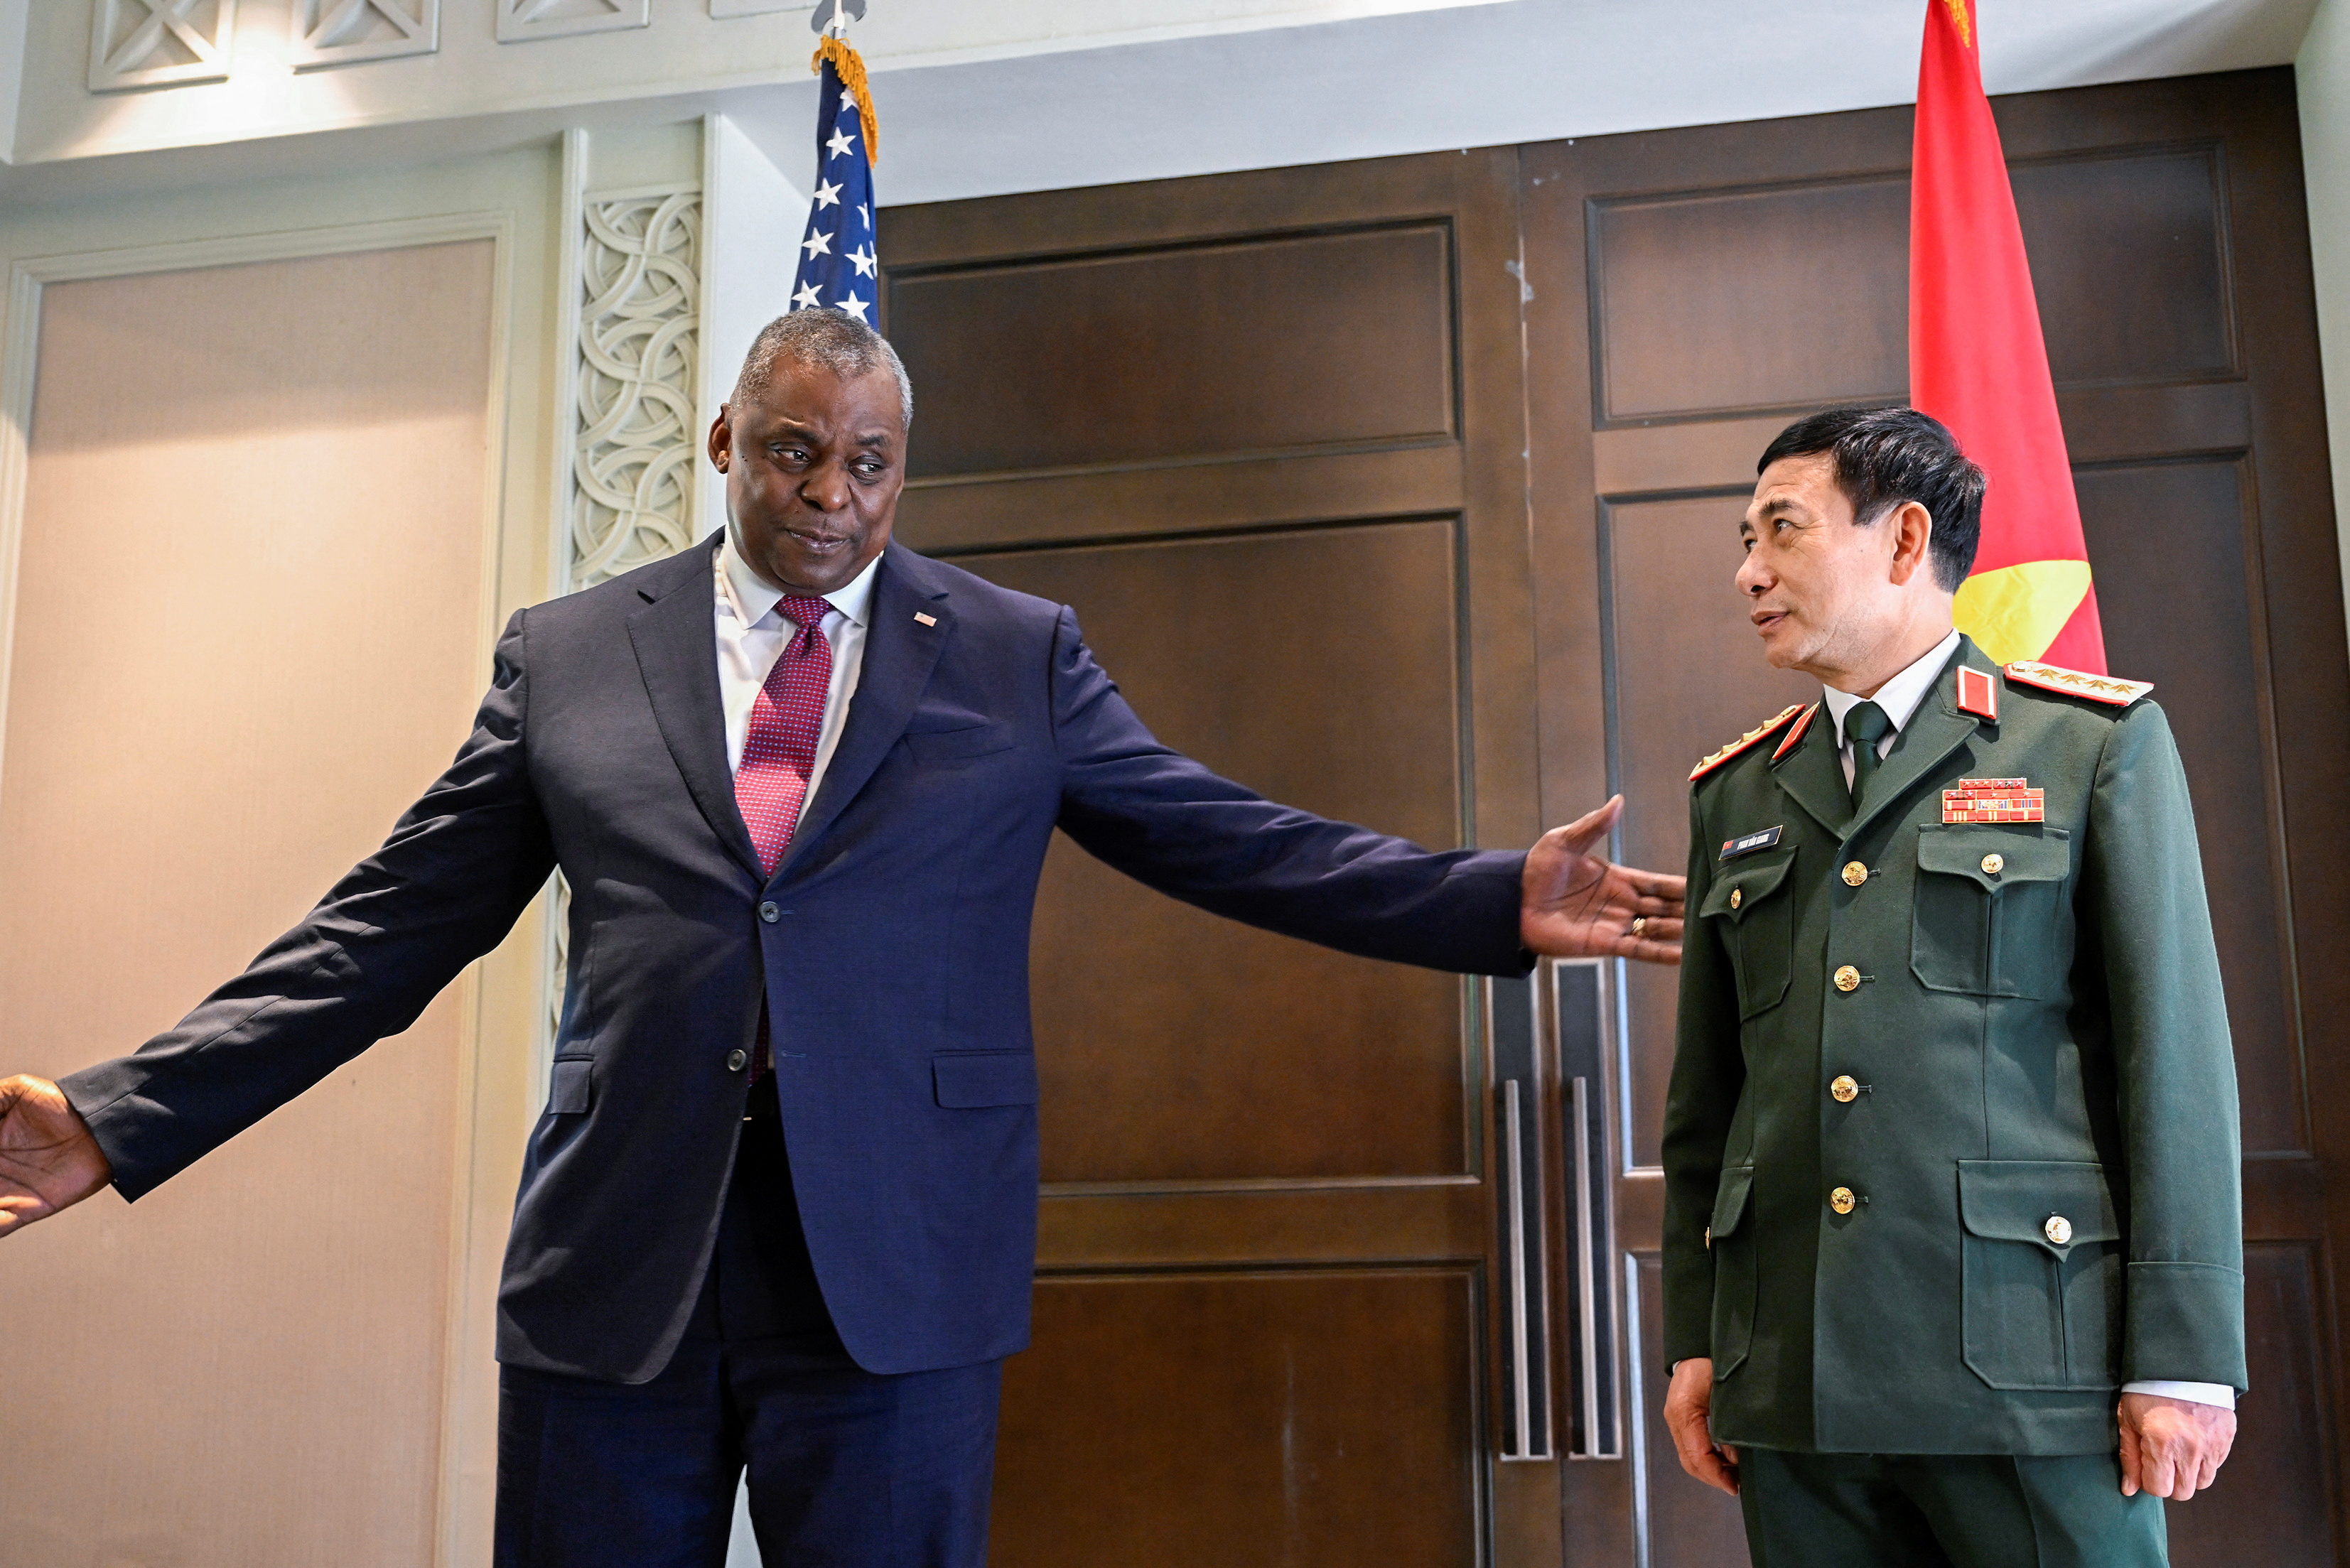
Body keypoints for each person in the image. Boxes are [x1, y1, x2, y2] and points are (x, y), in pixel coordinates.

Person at [0, 308, 1686, 1568]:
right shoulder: (575, 654)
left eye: (869, 463)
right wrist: (123, 1114)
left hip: (895, 1273)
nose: (831, 495)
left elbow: (1222, 836)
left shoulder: (1013, 654)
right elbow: (384, 929)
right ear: (726, 441)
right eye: (795, 451)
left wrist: (1484, 901)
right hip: (620, 1274)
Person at [1659, 405, 2243, 1567]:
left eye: (1782, 531)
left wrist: (2182, 1358)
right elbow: (1707, 1107)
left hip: (2029, 1376)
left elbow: (2173, 1067)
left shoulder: (2084, 746)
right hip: (1795, 1379)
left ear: (1905, 538)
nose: (1747, 573)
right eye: (1746, 538)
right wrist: (1697, 1340)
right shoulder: (1737, 795)